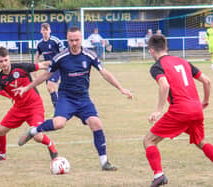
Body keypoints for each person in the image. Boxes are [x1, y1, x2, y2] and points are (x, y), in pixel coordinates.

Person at [13, 27, 133, 171]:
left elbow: (104, 73)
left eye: (77, 40)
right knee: (58, 124)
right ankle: (34, 131)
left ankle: (104, 162)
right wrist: (26, 88)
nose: (74, 43)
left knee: (96, 124)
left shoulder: (90, 55)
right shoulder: (60, 57)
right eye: (71, 40)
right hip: (66, 98)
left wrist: (121, 88)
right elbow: (45, 75)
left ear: (81, 39)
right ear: (67, 40)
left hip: (83, 99)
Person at [144, 35, 213, 186]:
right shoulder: (183, 61)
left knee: (149, 141)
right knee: (200, 141)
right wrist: (206, 101)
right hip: (196, 110)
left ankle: (159, 175)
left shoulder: (157, 66)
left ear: (151, 51)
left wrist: (158, 110)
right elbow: (207, 81)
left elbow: (165, 85)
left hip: (180, 111)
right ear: (166, 47)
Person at [0, 46, 58, 162]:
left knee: (37, 137)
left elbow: (42, 65)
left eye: (5, 60)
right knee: (0, 131)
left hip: (34, 106)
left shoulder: (21, 67)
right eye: (0, 61)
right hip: (18, 108)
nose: (4, 64)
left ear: (9, 58)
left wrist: (58, 61)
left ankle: (50, 144)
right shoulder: (0, 79)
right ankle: (2, 155)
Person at [35, 23, 65, 109]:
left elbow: (63, 53)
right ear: (41, 31)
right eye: (43, 30)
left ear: (50, 31)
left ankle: (58, 110)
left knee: (50, 85)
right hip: (48, 69)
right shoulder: (40, 43)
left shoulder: (55, 41)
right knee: (51, 89)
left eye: (46, 30)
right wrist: (35, 68)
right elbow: (37, 55)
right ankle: (61, 106)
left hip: (57, 67)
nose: (45, 32)